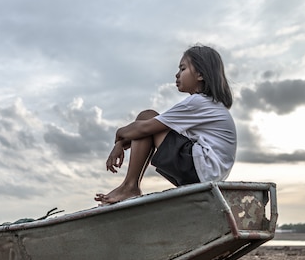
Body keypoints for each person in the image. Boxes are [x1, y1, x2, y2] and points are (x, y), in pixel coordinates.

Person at [94, 44, 236, 205]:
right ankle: (129, 186)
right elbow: (146, 131)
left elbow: (144, 128)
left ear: (200, 74)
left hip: (200, 169)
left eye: (182, 69)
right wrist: (123, 141)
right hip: (205, 174)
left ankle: (130, 186)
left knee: (146, 116)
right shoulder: (210, 105)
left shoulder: (197, 103)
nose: (177, 75)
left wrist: (118, 137)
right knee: (150, 124)